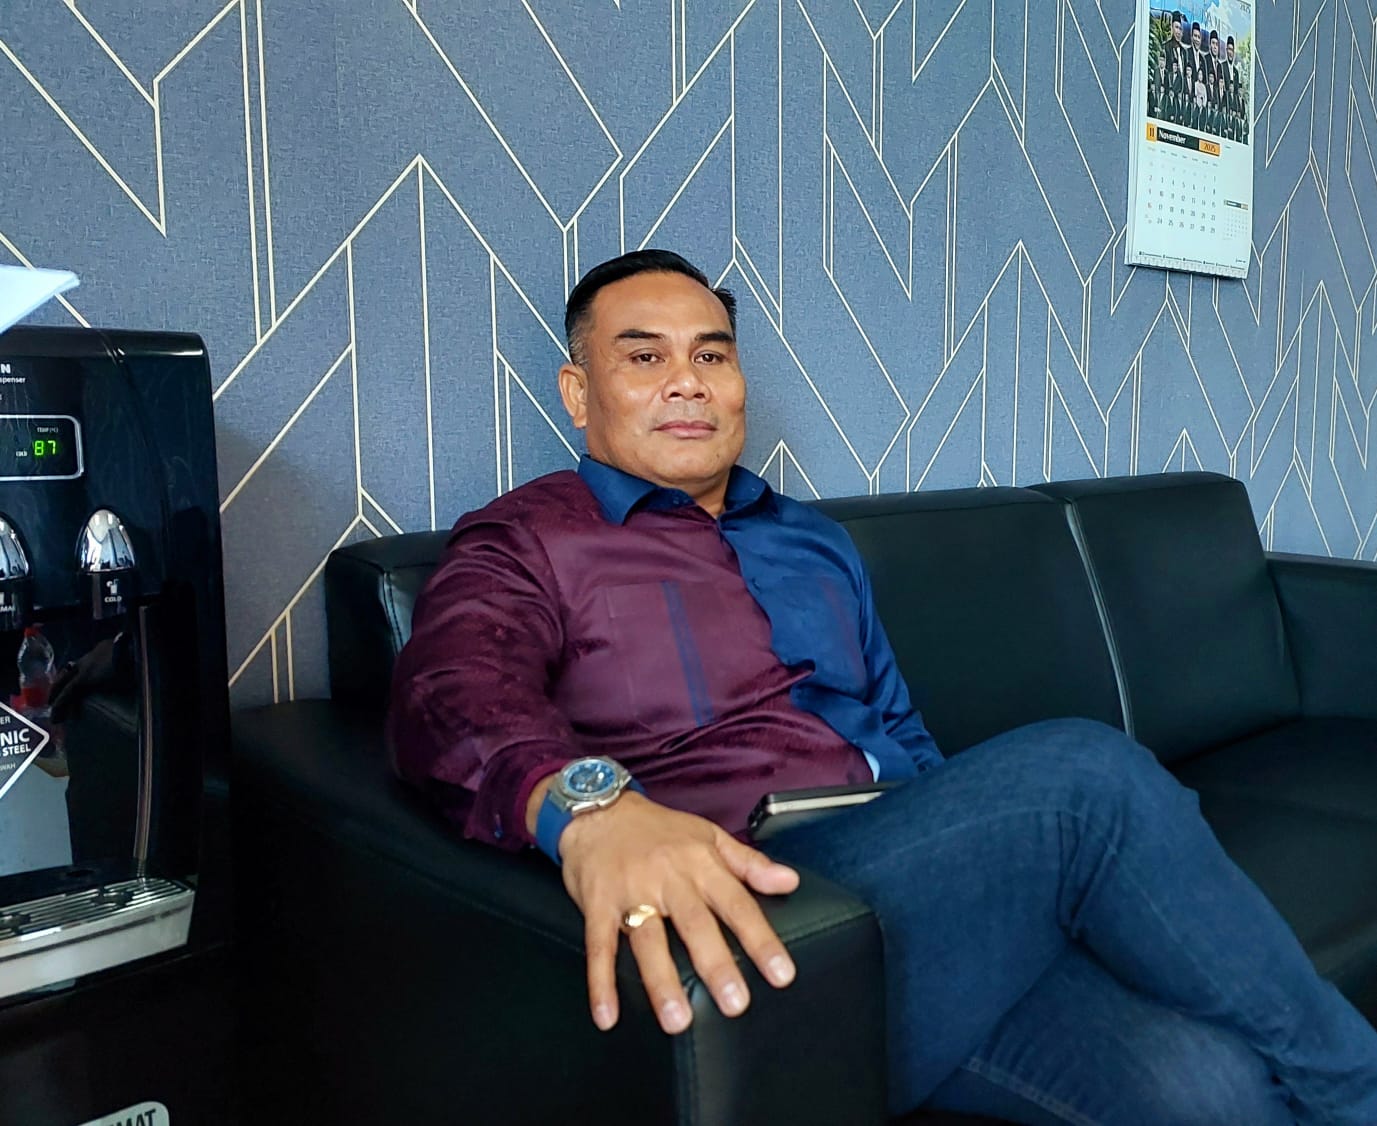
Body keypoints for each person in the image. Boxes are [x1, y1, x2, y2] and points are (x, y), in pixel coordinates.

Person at [389, 248, 1377, 1123]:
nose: (687, 382)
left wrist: (981, 868)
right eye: (644, 357)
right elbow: (450, 694)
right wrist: (593, 809)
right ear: (578, 392)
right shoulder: (529, 538)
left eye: (712, 355)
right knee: (1086, 774)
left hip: (906, 871)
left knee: (1209, 1088)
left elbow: (898, 729)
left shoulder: (811, 541)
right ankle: (1358, 1087)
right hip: (766, 896)